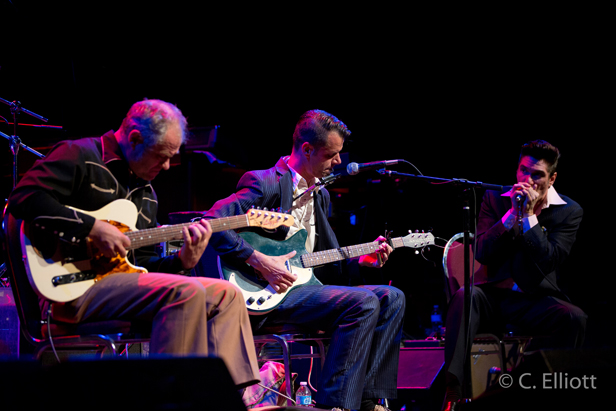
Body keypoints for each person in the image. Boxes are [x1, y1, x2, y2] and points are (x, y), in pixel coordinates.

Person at [6, 99, 260, 389]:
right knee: (186, 292)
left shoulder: (146, 194)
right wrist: (91, 227)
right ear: (135, 139)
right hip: (70, 285)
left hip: (118, 286)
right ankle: (171, 398)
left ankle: (231, 396)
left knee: (227, 294)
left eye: (171, 157)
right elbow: (23, 198)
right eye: (161, 156)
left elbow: (144, 266)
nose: (167, 166)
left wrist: (182, 261)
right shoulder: (81, 155)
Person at [202, 109, 406, 411]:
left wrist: (359, 262)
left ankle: (367, 401)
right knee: (363, 303)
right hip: (267, 293)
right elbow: (211, 222)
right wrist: (258, 261)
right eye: (331, 154)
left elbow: (317, 264)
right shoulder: (265, 183)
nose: (338, 161)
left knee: (392, 297)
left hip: (304, 289)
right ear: (307, 149)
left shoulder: (321, 195)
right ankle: (336, 405)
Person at [442, 140, 587, 410]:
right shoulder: (495, 199)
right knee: (465, 296)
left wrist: (529, 216)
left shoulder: (569, 211)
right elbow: (482, 252)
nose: (528, 180)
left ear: (552, 179)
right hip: (494, 297)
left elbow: (549, 260)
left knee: (574, 318)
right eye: (523, 171)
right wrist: (511, 214)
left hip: (534, 299)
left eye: (537, 175)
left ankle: (550, 389)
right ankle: (453, 391)